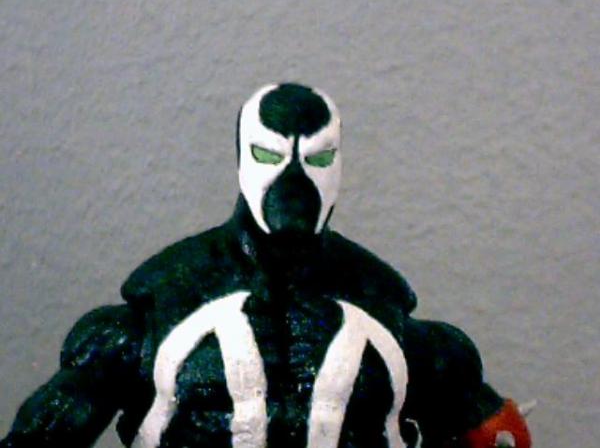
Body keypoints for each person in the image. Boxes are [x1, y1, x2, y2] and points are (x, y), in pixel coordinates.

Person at [1, 83, 531, 447]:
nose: (294, 181)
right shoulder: (157, 311)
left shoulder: (390, 317)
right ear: (242, 157)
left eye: (317, 159)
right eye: (270, 156)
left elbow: (492, 432)